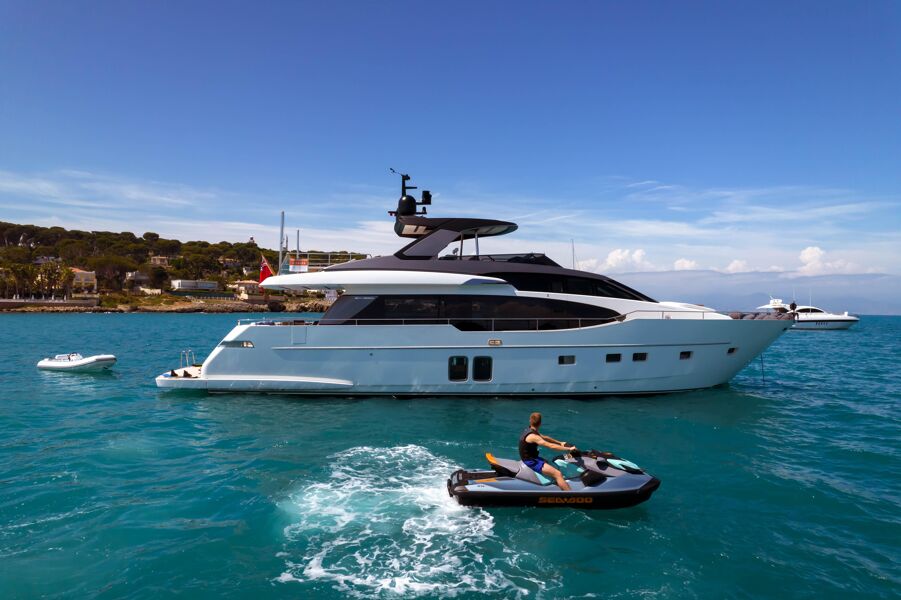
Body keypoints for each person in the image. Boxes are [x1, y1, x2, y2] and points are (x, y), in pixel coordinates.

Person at [519, 412, 576, 491]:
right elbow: (550, 445)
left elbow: (544, 437)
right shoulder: (533, 436)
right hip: (531, 461)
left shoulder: (529, 430)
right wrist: (569, 449)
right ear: (540, 423)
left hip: (532, 457)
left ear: (530, 421)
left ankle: (557, 486)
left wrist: (560, 442)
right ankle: (571, 497)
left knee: (552, 465)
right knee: (558, 474)